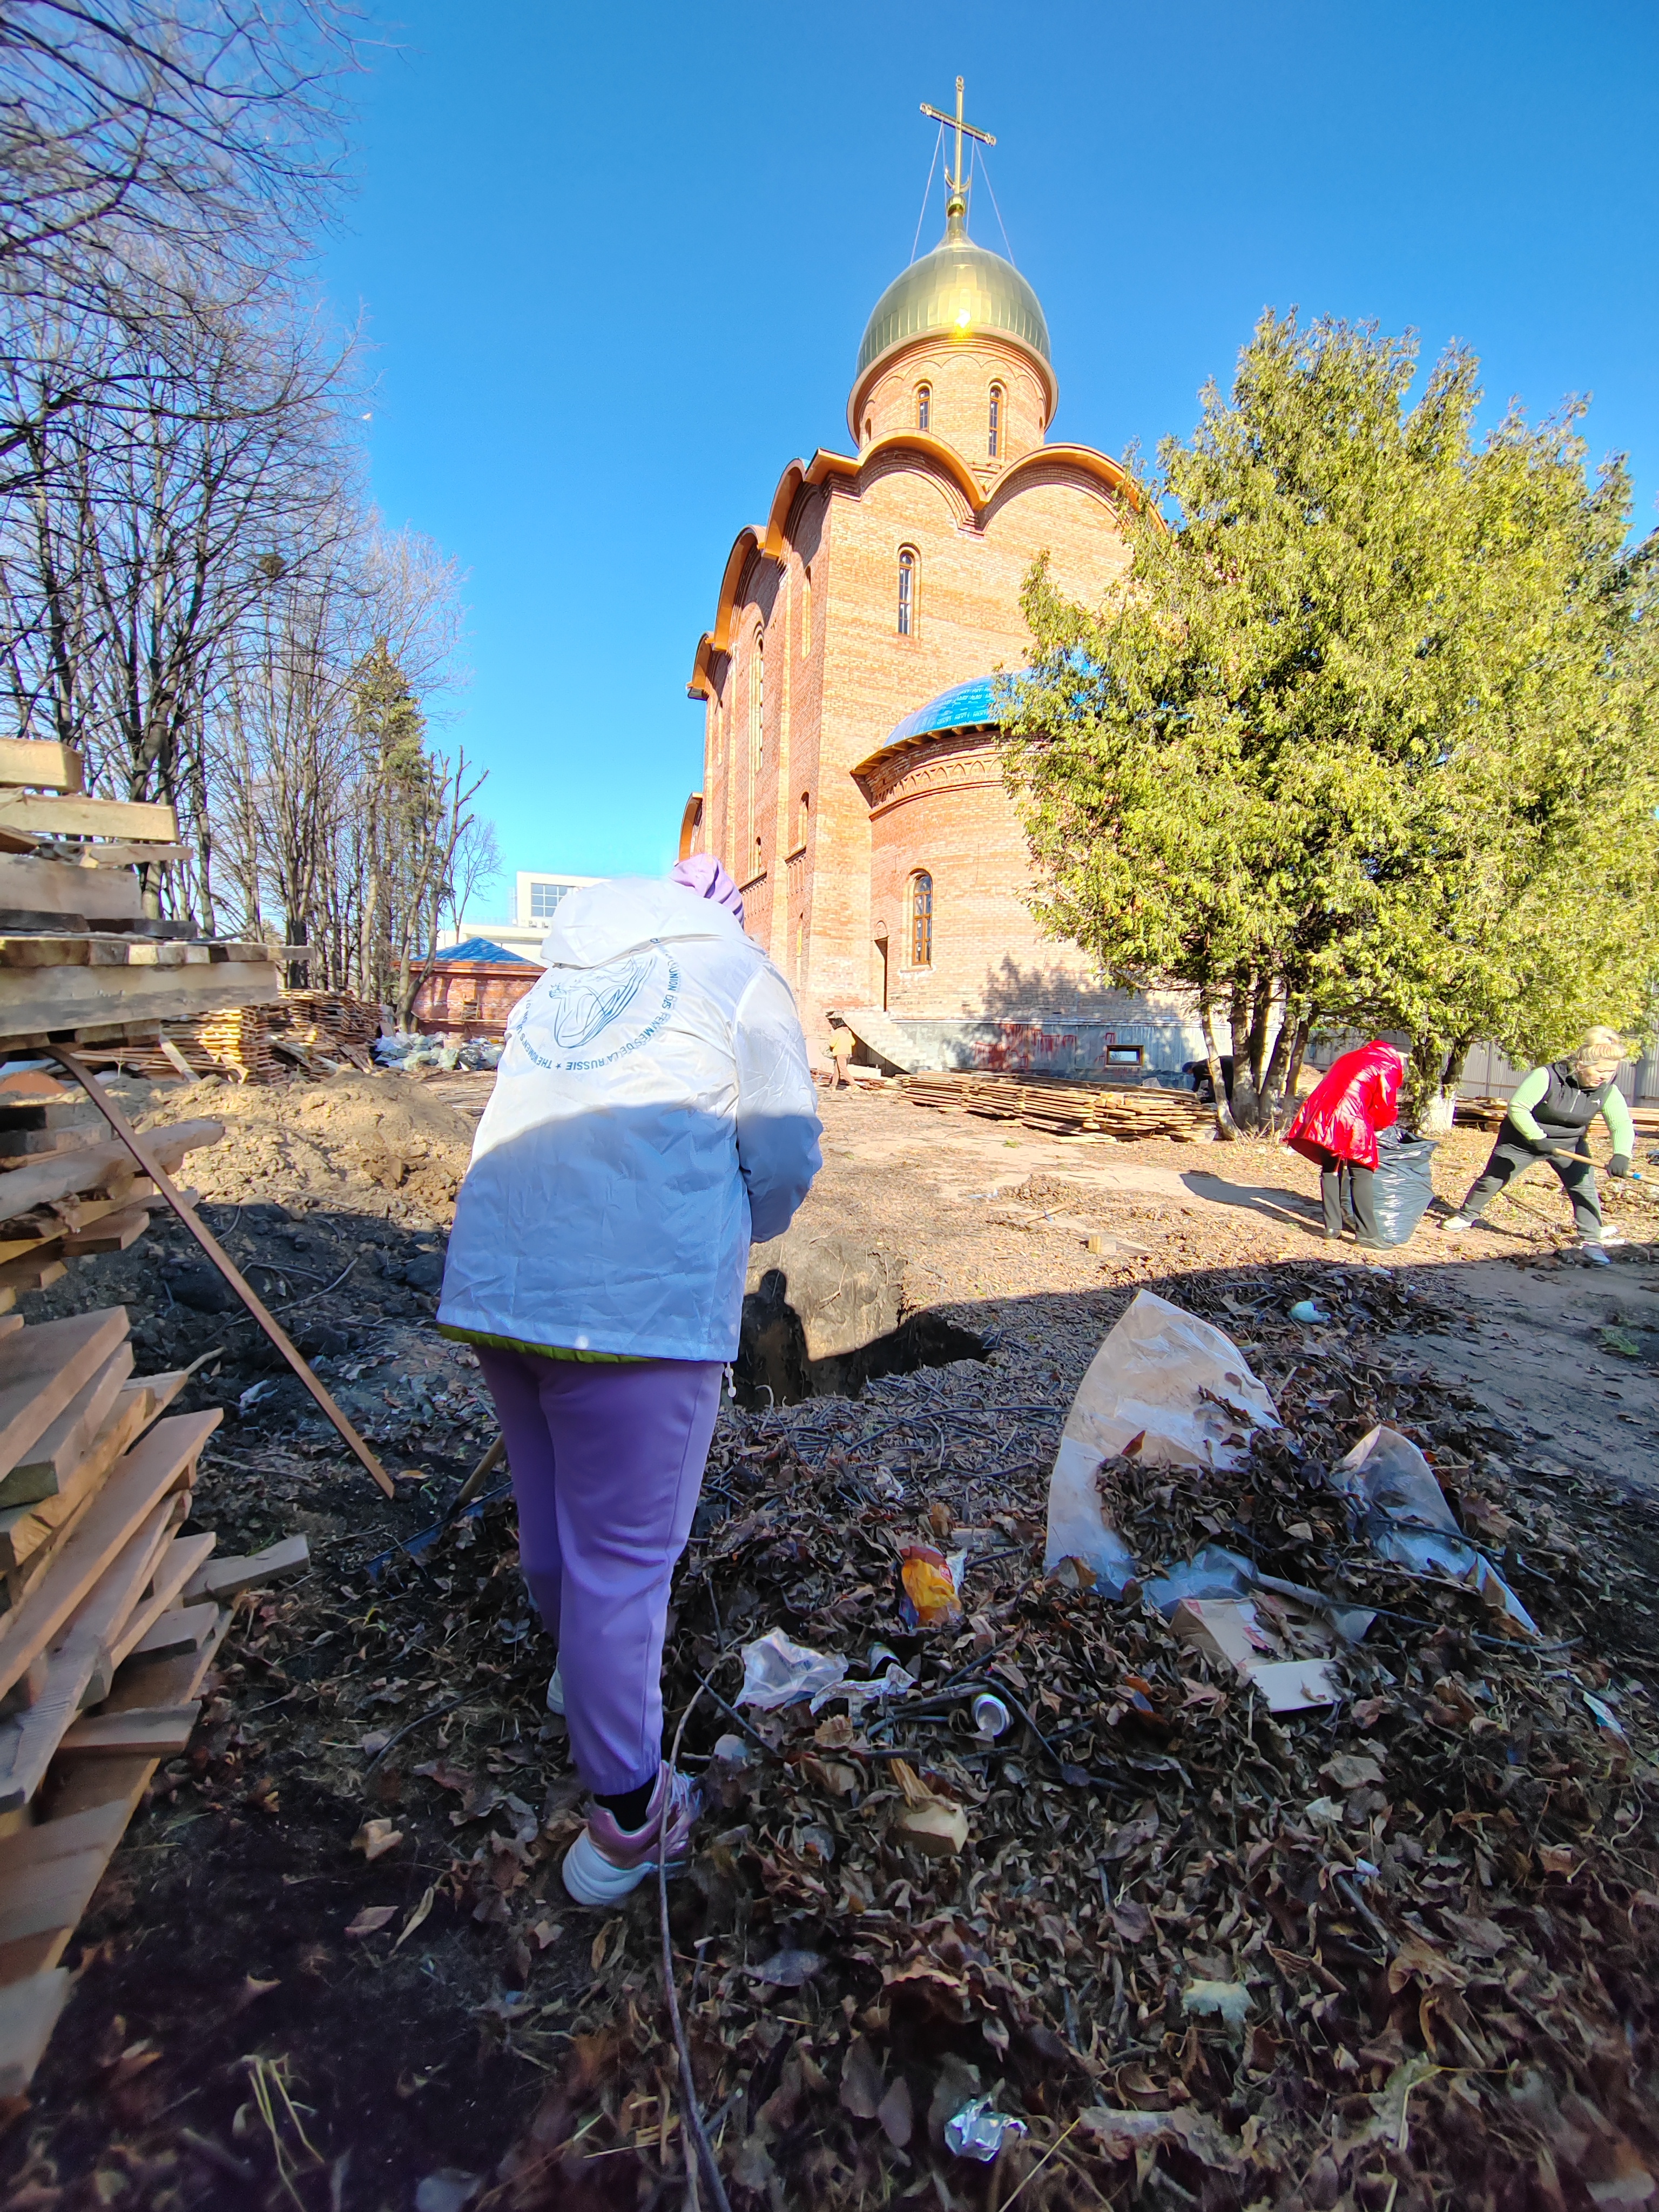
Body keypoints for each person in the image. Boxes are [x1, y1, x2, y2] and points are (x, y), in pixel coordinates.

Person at [436, 855, 821, 1904]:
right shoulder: (740, 972)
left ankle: (580, 1675)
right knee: (624, 1561)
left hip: (501, 1281)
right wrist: (737, 1218)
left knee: (552, 1515)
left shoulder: (565, 975)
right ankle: (628, 1821)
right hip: (635, 1301)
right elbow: (783, 1147)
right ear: (728, 913)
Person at [1442, 1027, 1634, 1266]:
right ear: (1583, 1063)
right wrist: (1537, 1137)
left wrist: (1621, 1154)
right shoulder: (1548, 1075)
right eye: (1600, 1070)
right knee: (1494, 1178)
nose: (1605, 1076)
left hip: (1569, 1143)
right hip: (1522, 1139)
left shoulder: (1608, 1090)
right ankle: (1467, 1215)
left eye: (1611, 1072)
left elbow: (1621, 1124)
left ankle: (1591, 1241)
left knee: (1583, 1188)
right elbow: (1518, 1107)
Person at [1284, 1040, 1406, 1249]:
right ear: (1397, 1052)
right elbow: (1385, 1102)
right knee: (1363, 1169)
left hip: (1320, 1112)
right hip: (1350, 1116)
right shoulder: (1388, 1063)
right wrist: (1382, 1125)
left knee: (1331, 1166)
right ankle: (1367, 1234)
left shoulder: (1349, 1057)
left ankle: (1332, 1226)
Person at [827, 1017, 856, 1089]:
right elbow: (853, 1042)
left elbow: (832, 1044)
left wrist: (829, 1043)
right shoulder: (849, 1032)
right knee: (837, 1070)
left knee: (843, 1070)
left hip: (840, 1053)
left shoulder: (837, 1032)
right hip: (848, 1053)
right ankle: (833, 1086)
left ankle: (854, 1085)